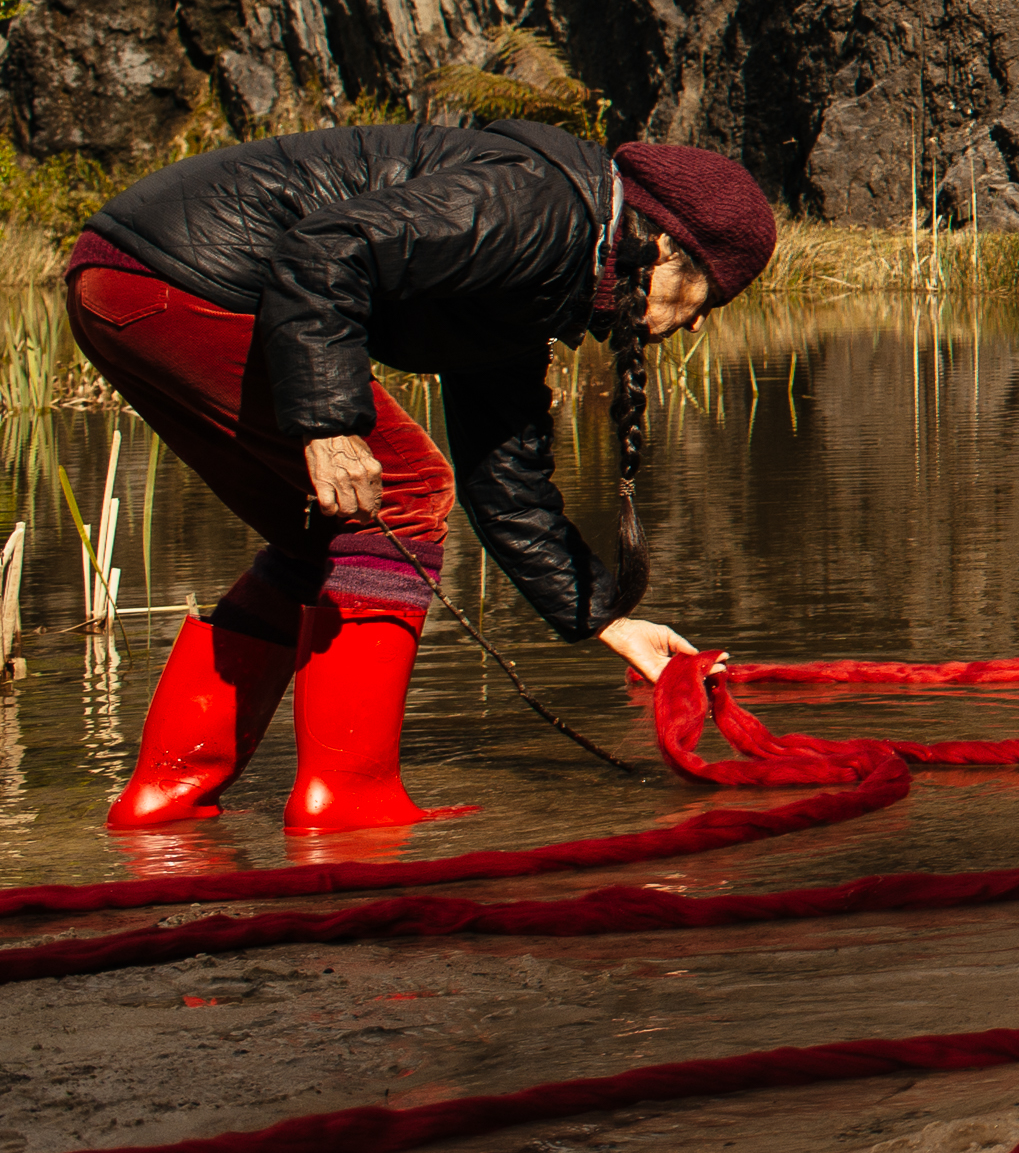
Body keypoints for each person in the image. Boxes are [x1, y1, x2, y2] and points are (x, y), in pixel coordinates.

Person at [57, 119, 778, 833]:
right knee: (404, 490)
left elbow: (506, 478)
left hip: (123, 283)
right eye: (707, 300)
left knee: (320, 539)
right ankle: (349, 803)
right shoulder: (539, 210)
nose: (692, 327)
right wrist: (329, 424)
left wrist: (607, 618)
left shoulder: (544, 273)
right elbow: (327, 249)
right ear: (663, 246)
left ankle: (166, 800)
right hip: (180, 275)